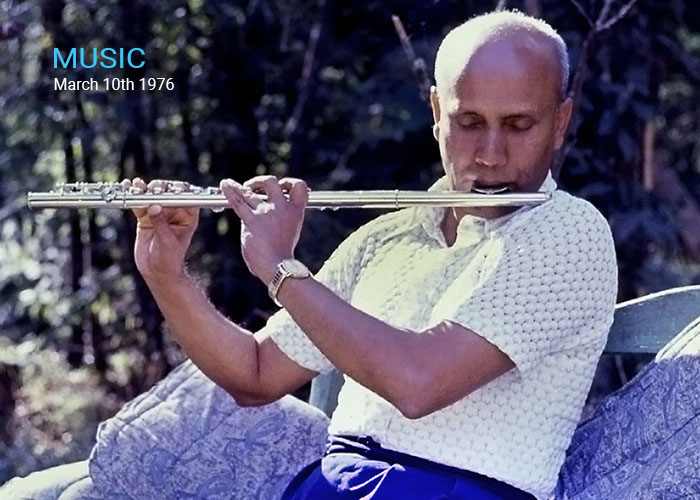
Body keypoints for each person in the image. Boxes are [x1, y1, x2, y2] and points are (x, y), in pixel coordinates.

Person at [0, 10, 618, 500]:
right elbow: (255, 374)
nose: (490, 154)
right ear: (436, 113)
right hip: (334, 484)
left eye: (519, 126)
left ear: (560, 121)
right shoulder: (388, 237)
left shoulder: (569, 232)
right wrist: (167, 273)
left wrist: (281, 270)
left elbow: (418, 382)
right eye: (469, 122)